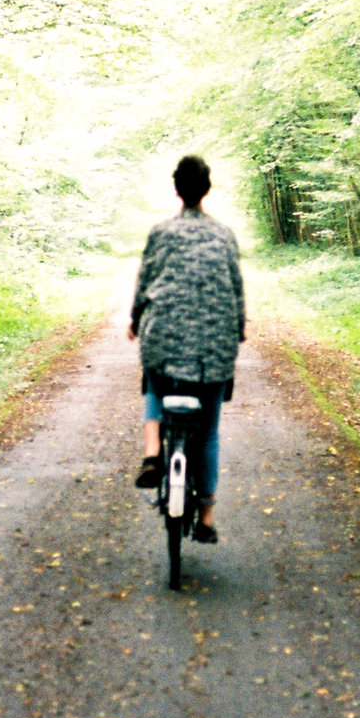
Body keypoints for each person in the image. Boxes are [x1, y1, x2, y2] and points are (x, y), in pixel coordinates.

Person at [127, 154, 246, 542]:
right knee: (208, 433)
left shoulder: (161, 233)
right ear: (205, 190)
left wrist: (135, 318)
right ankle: (207, 518)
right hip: (214, 350)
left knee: (155, 383)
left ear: (177, 189)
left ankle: (151, 454)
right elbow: (236, 290)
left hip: (164, 340)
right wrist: (238, 329)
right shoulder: (224, 235)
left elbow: (145, 281)